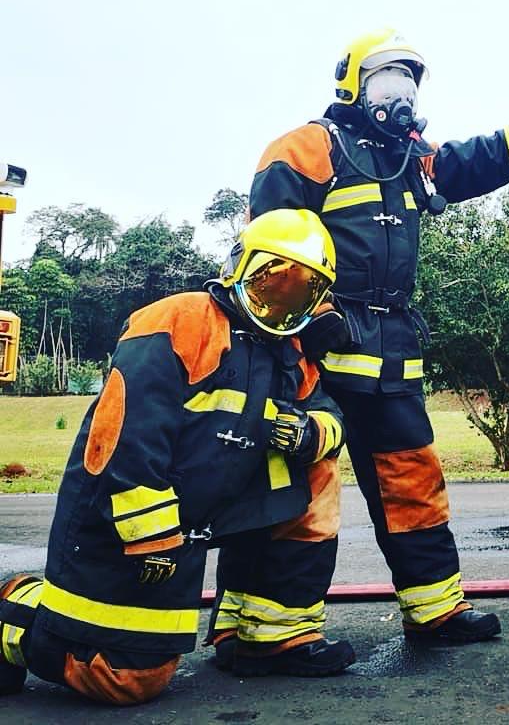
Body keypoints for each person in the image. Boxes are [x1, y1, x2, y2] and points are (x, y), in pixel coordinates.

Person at [242, 27, 509, 642]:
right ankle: (268, 635)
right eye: (388, 78)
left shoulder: (411, 156)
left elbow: (477, 160)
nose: (400, 93)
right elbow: (267, 251)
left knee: (415, 481)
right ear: (352, 83)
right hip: (313, 352)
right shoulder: (303, 149)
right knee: (301, 488)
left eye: (409, 81)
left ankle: (436, 611)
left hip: (391, 353)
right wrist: (298, 329)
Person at [0, 209, 351, 704]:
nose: (278, 302)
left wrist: (309, 431)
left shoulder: (288, 350)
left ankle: (269, 636)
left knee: (319, 473)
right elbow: (123, 440)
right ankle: (15, 613)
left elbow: (330, 414)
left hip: (204, 515)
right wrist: (153, 539)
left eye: (299, 293)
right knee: (127, 678)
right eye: (268, 283)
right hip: (123, 516)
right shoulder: (179, 321)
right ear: (238, 267)